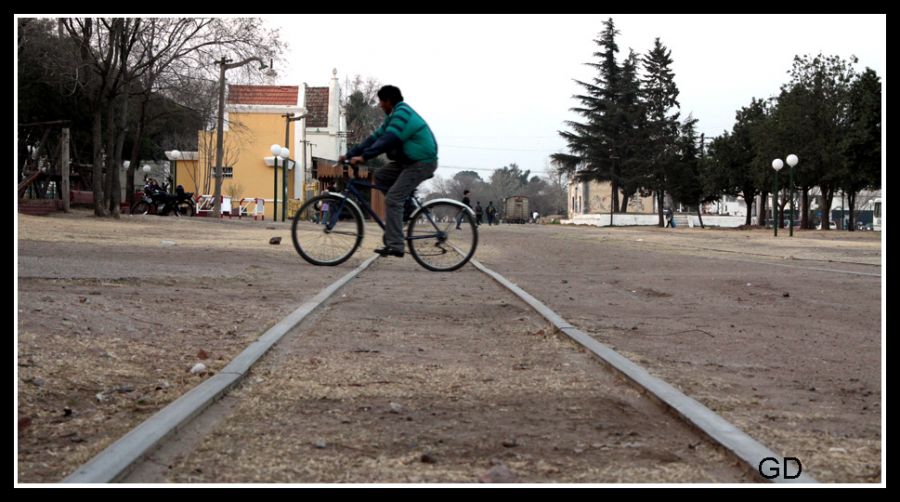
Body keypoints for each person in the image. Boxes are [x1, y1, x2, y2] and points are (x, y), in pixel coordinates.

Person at [339, 85, 438, 257]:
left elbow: (388, 140)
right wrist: (350, 154)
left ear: (389, 101)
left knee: (393, 198)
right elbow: (374, 138)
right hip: (407, 161)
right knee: (381, 176)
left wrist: (364, 157)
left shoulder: (402, 114)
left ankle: (396, 245)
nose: (380, 105)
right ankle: (405, 212)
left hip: (422, 162)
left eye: (381, 102)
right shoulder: (393, 116)